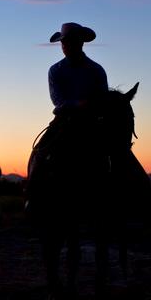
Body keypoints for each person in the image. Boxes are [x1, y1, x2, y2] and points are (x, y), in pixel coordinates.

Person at [27, 22, 109, 199]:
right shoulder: (55, 70)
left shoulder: (96, 70)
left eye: (70, 42)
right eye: (64, 43)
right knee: (40, 151)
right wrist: (79, 105)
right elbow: (58, 101)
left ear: (80, 43)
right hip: (64, 120)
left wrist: (92, 107)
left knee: (117, 151)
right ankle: (32, 196)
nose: (65, 46)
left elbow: (103, 98)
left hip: (92, 121)